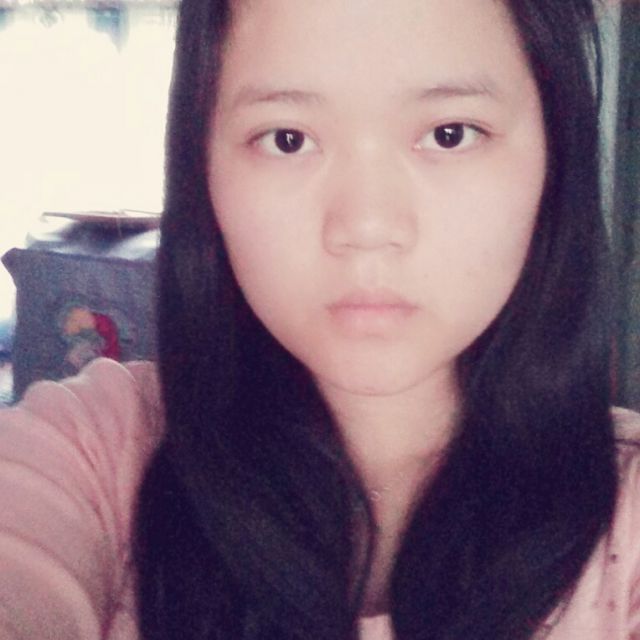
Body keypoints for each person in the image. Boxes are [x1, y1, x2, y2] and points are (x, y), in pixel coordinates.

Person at [1, 0, 638, 638]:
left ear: (555, 153)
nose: (366, 226)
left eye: (450, 133)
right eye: (288, 139)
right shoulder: (97, 451)